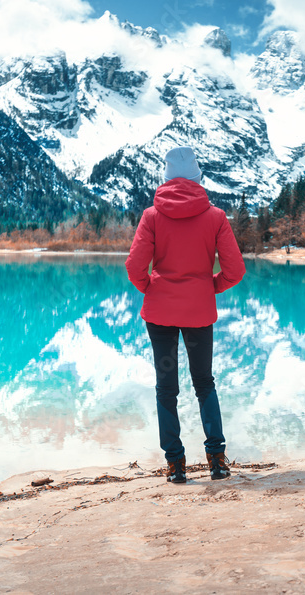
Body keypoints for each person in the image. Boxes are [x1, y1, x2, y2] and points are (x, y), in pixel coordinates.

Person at [125, 146, 246, 484]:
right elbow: (235, 270)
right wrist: (210, 287)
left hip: (160, 314)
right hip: (198, 312)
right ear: (196, 178)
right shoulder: (216, 217)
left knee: (166, 387)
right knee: (204, 383)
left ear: (166, 178)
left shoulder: (151, 216)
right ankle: (217, 461)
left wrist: (152, 288)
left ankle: (175, 465)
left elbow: (135, 267)